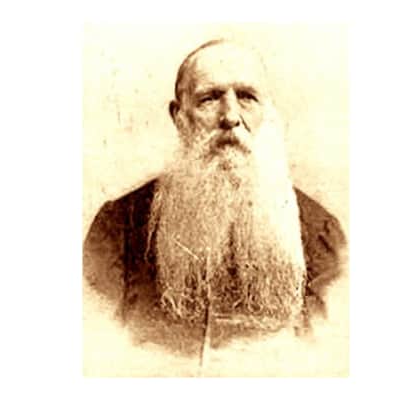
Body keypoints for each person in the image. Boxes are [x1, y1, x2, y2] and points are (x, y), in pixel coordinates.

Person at [83, 39, 347, 355]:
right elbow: (97, 347)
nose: (231, 116)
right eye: (209, 99)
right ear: (178, 116)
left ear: (267, 112)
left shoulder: (320, 234)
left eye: (247, 97)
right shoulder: (118, 227)